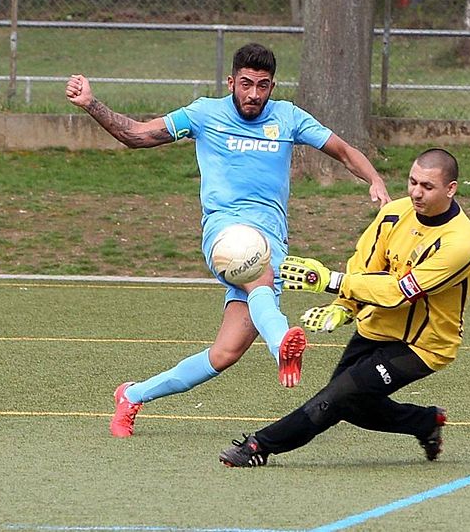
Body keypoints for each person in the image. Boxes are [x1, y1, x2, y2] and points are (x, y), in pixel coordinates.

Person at [65, 42, 391, 438]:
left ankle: (132, 394)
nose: (254, 94)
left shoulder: (287, 118)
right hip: (225, 232)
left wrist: (374, 179)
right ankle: (281, 345)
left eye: (263, 86)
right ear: (231, 81)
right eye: (247, 84)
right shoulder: (204, 114)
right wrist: (92, 104)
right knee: (258, 272)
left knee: (225, 353)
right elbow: (136, 135)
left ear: (273, 85)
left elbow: (342, 150)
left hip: (272, 241)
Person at [218, 148, 470, 466]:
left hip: (423, 345)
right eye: (412, 182)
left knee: (339, 396)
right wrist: (345, 306)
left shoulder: (460, 242)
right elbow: (365, 266)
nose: (415, 192)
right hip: (377, 326)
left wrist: (332, 281)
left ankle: (259, 446)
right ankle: (425, 422)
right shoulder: (394, 214)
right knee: (351, 403)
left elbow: (400, 291)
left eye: (427, 186)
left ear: (450, 189)